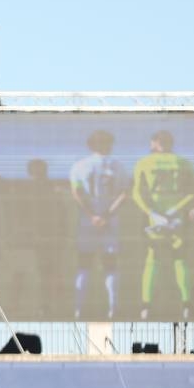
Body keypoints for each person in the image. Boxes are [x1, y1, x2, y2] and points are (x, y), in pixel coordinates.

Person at [133, 130, 194, 319]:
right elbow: (193, 192)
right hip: (177, 218)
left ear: (154, 142)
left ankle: (146, 306)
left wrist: (152, 213)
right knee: (180, 258)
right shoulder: (184, 163)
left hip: (155, 218)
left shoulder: (144, 162)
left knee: (152, 259)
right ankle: (187, 305)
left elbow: (137, 193)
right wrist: (174, 211)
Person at [70, 129, 129, 319]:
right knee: (110, 265)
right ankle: (113, 308)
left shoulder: (80, 165)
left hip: (88, 222)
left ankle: (78, 309)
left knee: (84, 264)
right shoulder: (119, 166)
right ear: (109, 144)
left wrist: (92, 215)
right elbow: (124, 194)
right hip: (110, 221)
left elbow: (77, 193)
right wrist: (106, 215)